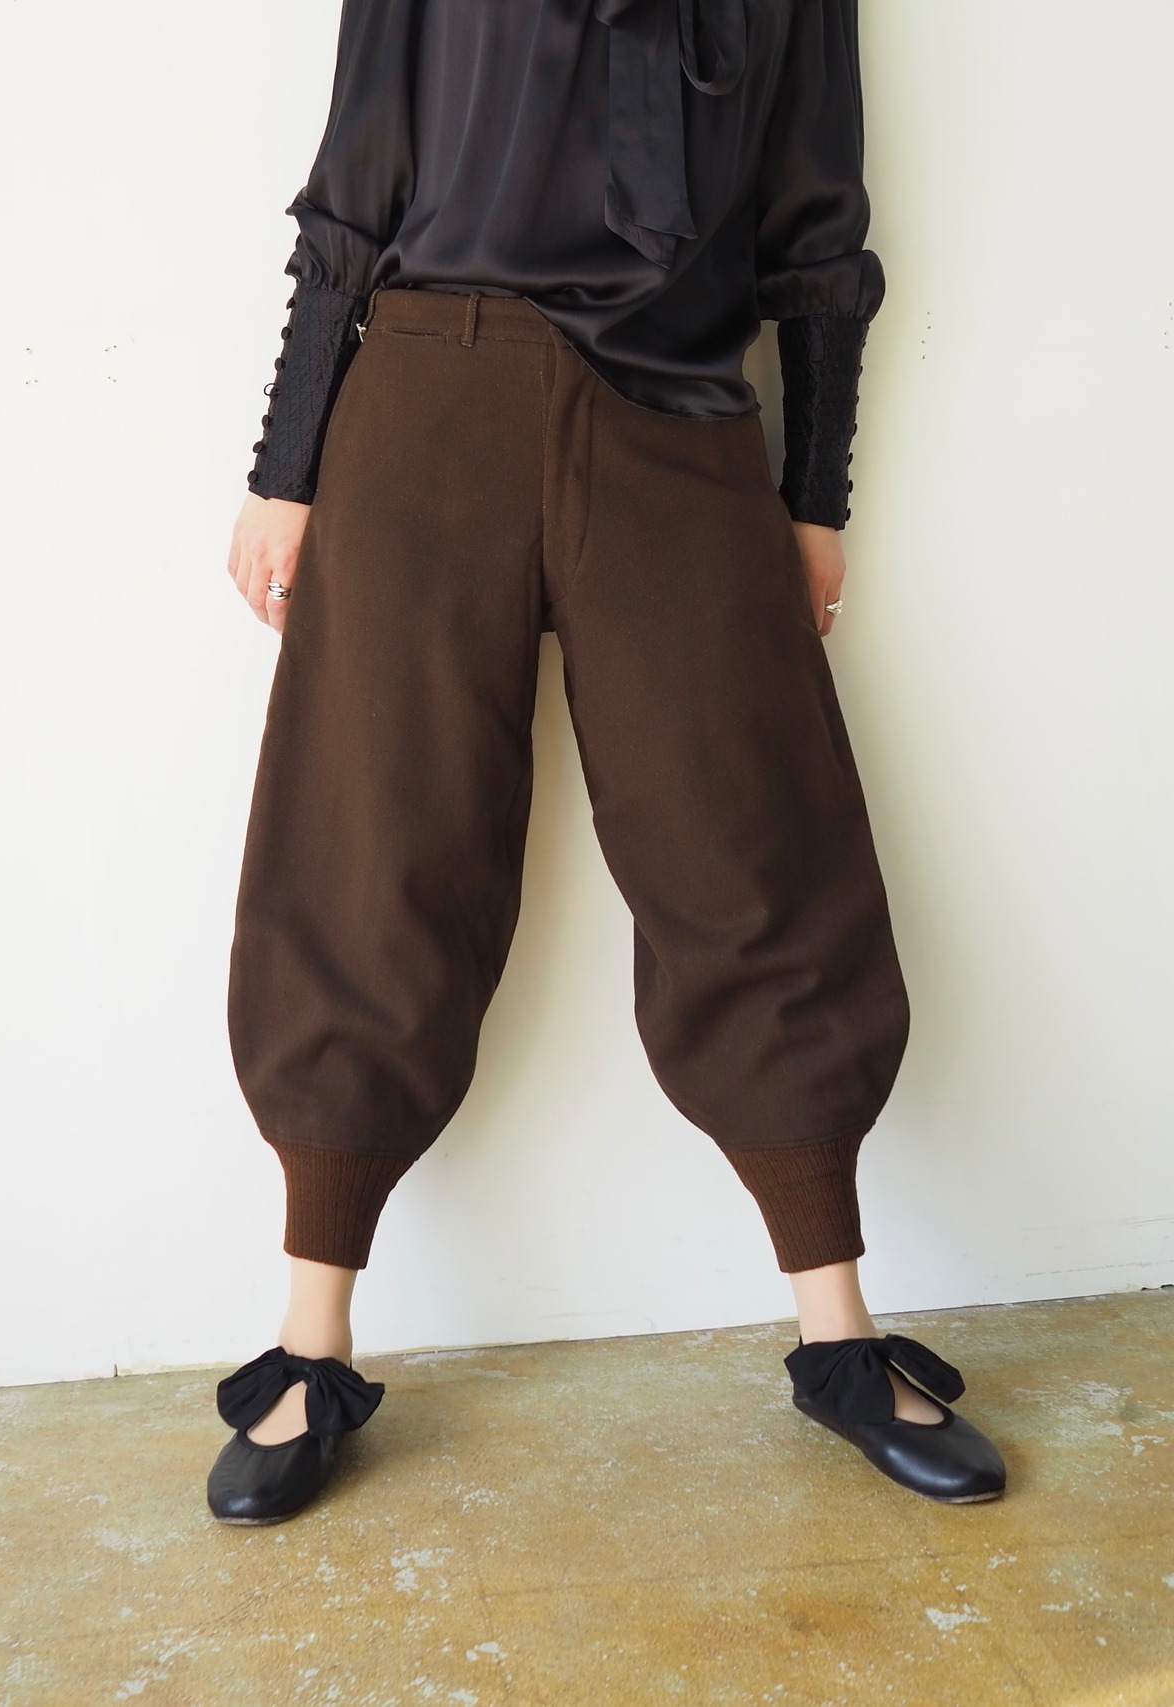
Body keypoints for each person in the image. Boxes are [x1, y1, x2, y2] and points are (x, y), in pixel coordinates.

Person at [208, 0, 1007, 1526]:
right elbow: (355, 183)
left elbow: (816, 221)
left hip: (683, 426)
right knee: (371, 845)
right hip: (427, 399)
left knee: (751, 854)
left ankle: (840, 1337)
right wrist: (284, 465)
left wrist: (814, 493)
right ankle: (311, 1347)